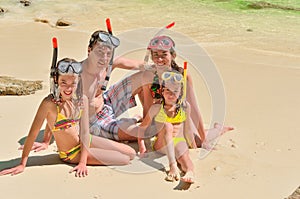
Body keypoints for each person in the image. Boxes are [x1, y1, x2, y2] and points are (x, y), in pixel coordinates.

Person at [0, 58, 135, 177]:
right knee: (124, 159)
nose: (68, 88)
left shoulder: (82, 99)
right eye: (63, 82)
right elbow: (33, 133)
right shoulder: (49, 104)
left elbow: (84, 132)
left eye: (73, 83)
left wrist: (83, 161)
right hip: (70, 153)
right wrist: (23, 164)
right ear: (56, 81)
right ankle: (92, 154)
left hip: (85, 142)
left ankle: (92, 153)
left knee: (131, 153)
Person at [140, 35, 234, 148]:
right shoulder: (148, 76)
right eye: (156, 55)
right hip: (161, 120)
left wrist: (204, 140)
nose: (159, 59)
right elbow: (147, 106)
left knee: (197, 142)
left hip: (179, 119)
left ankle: (219, 129)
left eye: (164, 55)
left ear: (173, 55)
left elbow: (193, 108)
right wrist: (146, 134)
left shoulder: (183, 75)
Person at [138, 71, 196, 183]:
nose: (171, 94)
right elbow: (142, 128)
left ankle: (190, 172)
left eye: (175, 91)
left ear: (180, 93)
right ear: (162, 91)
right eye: (167, 90)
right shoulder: (156, 108)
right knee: (167, 126)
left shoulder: (185, 107)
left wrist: (192, 144)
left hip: (178, 142)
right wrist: (142, 147)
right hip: (161, 145)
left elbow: (187, 129)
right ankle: (172, 165)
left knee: (185, 157)